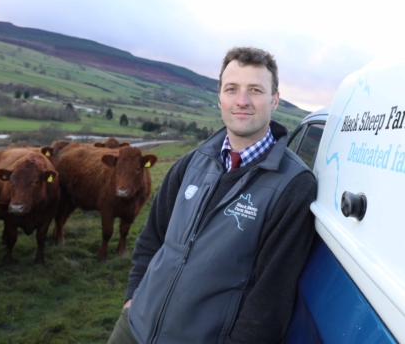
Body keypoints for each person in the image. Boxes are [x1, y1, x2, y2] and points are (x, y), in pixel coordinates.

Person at [108, 46, 317, 344]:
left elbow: (271, 298)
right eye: (232, 89)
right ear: (219, 96)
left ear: (275, 99)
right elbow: (152, 239)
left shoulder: (294, 185)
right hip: (133, 327)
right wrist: (132, 300)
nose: (242, 101)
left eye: (255, 90)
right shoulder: (190, 163)